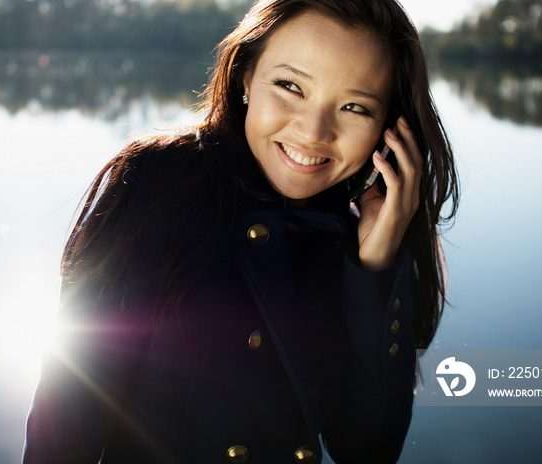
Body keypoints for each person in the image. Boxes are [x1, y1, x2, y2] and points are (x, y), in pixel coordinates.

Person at [23, 0, 458, 463]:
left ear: (389, 130)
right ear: (246, 77)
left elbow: (367, 450)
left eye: (354, 107)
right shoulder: (159, 183)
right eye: (290, 86)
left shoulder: (355, 244)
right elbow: (68, 414)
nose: (313, 132)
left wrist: (375, 266)